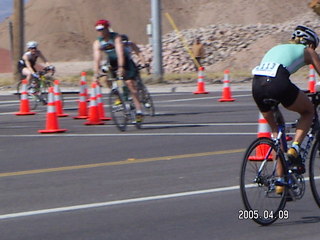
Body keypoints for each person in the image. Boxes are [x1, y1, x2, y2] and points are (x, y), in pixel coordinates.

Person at [252, 25, 320, 183]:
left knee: (277, 133)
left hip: (257, 86)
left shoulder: (277, 47)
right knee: (308, 111)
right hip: (277, 82)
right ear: (310, 43)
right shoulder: (308, 51)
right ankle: (295, 148)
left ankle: (281, 182)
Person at [92, 19, 143, 122]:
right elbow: (97, 59)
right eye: (98, 30)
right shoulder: (98, 42)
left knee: (130, 84)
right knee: (106, 79)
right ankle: (118, 97)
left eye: (102, 29)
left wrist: (121, 67)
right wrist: (96, 73)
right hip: (111, 62)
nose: (100, 32)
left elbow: (120, 53)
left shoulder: (116, 37)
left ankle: (138, 110)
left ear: (107, 28)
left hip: (125, 62)